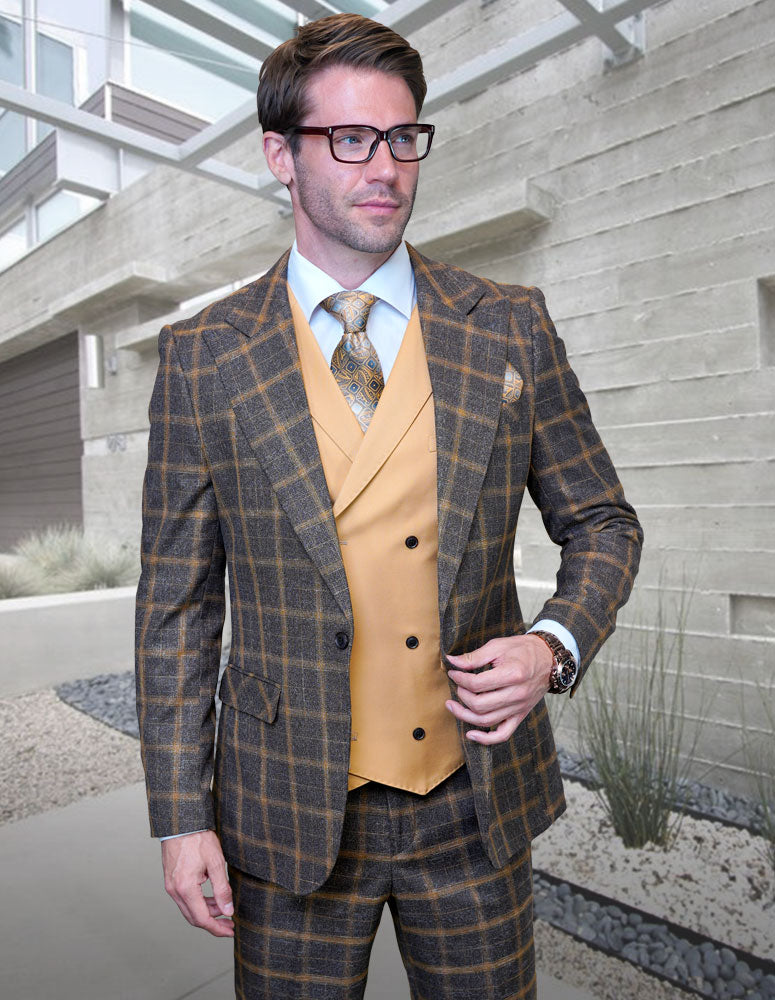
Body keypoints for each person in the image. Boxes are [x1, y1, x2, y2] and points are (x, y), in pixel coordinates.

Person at [135, 12, 643, 1000]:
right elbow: (176, 606)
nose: (387, 165)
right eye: (351, 139)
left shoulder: (507, 326)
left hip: (473, 804)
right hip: (286, 809)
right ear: (280, 155)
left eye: (404, 136)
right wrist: (180, 813)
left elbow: (604, 524)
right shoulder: (205, 355)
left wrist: (551, 645)